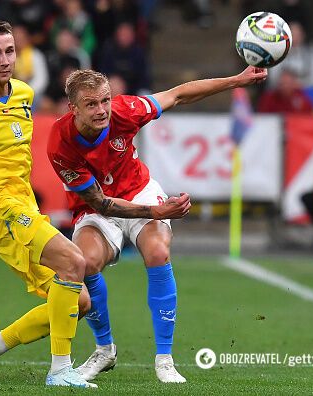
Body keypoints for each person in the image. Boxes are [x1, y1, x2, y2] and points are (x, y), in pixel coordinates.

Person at [0, 20, 191, 388]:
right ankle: (60, 370)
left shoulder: (22, 94)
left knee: (78, 302)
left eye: (9, 50)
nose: (4, 60)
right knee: (75, 261)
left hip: (19, 207)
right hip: (0, 210)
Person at [45, 66, 267, 383]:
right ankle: (104, 350)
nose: (102, 110)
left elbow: (177, 94)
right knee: (86, 263)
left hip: (138, 189)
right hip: (97, 205)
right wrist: (158, 212)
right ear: (73, 108)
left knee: (158, 252)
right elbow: (100, 203)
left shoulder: (125, 111)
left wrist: (236, 80)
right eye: (91, 104)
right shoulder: (60, 143)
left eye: (105, 100)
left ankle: (164, 358)